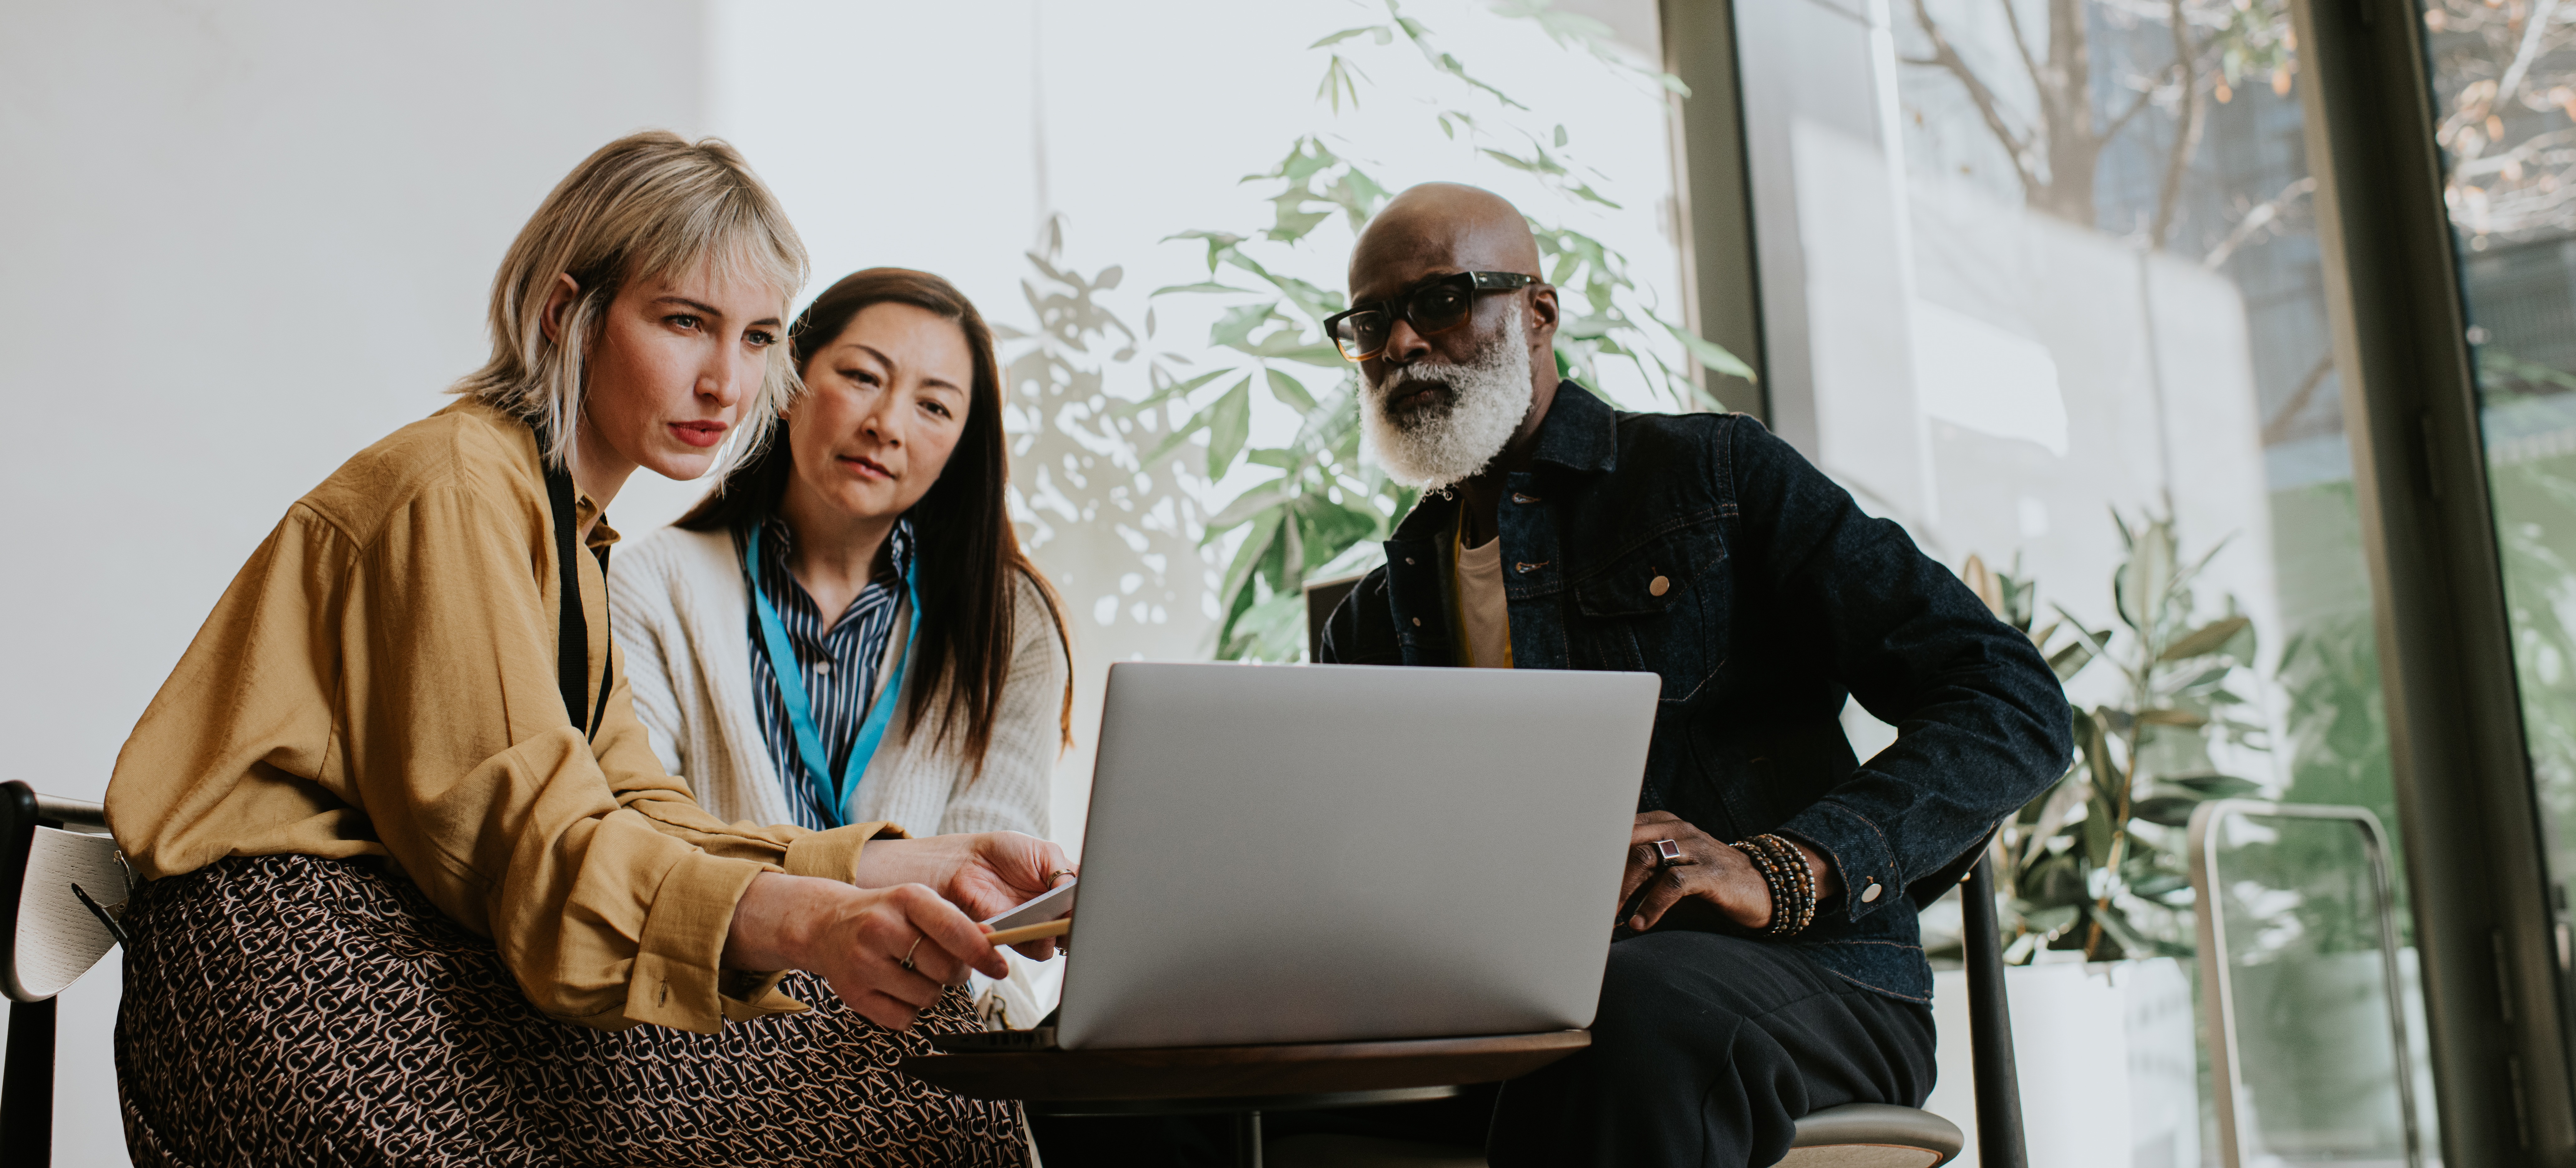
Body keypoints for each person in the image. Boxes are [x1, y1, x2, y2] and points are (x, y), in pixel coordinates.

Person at [103, 132, 1065, 1167]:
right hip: (296, 974)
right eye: (685, 322)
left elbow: (637, 813)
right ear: (569, 313)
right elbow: (537, 847)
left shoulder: (565, 529)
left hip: (413, 958)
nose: (726, 382)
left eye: (757, 337)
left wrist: (900, 863)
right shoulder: (459, 487)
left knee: (927, 1054)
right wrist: (808, 925)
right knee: (916, 1072)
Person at [1306, 183, 2073, 1166]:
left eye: (1442, 302)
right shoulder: (1376, 615)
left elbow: (2012, 698)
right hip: (1511, 1014)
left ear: (1538, 313)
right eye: (1371, 322)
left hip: (1799, 979)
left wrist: (1785, 864)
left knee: (1626, 1013)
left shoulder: (1712, 477)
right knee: (1168, 1098)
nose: (1403, 342)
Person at [609, 267, 1072, 1025]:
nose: (887, 423)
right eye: (862, 377)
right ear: (788, 381)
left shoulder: (1010, 621)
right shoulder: (649, 585)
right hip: (711, 1021)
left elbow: (998, 912)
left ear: (961, 442)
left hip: (925, 1026)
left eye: (933, 406)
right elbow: (646, 848)